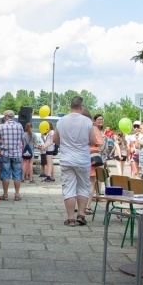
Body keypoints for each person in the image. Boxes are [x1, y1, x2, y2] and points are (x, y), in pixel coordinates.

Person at [54, 96, 99, 226]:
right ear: (81, 106)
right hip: (82, 159)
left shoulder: (62, 121)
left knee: (68, 188)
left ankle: (70, 218)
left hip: (66, 159)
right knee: (83, 187)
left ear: (70, 106)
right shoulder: (87, 121)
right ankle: (81, 214)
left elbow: (56, 140)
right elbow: (93, 141)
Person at [0, 109, 24, 200]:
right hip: (17, 153)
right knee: (17, 174)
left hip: (5, 153)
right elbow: (21, 138)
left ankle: (5, 194)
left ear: (5, 117)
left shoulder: (1, 126)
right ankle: (17, 194)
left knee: (5, 174)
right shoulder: (19, 126)